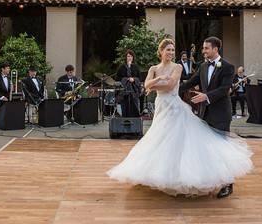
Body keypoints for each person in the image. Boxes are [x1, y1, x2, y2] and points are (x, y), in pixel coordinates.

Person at [107, 38, 252, 198]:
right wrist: (172, 91)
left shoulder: (228, 67)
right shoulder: (203, 66)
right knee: (207, 147)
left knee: (221, 147)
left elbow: (225, 88)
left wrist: (205, 96)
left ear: (216, 49)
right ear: (161, 51)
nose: (203, 51)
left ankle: (227, 184)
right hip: (201, 111)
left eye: (206, 48)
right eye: (203, 48)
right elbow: (189, 83)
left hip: (220, 112)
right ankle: (209, 177)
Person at [115, 50, 142, 117]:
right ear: (126, 57)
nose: (130, 58)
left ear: (133, 58)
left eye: (131, 56)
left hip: (134, 91)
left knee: (135, 107)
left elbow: (140, 78)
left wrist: (134, 79)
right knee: (124, 107)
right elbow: (117, 79)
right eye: (128, 56)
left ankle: (135, 121)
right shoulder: (121, 67)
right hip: (124, 91)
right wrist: (126, 79)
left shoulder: (136, 67)